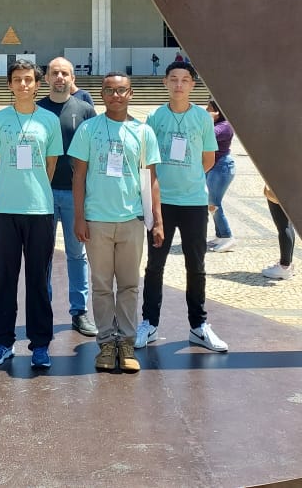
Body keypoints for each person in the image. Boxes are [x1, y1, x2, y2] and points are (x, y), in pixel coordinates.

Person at [69, 72, 163, 374]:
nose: (116, 96)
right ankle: (106, 343)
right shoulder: (88, 129)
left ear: (131, 94)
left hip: (131, 219)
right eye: (109, 91)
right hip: (97, 220)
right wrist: (79, 217)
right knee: (100, 285)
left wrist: (156, 220)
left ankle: (126, 342)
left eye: (121, 90)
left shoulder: (144, 132)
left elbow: (151, 179)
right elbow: (79, 176)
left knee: (129, 285)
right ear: (102, 95)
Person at [136, 63, 228, 353]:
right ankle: (149, 323)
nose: (179, 84)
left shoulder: (202, 118)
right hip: (161, 203)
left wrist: (188, 179)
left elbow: (208, 158)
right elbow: (146, 160)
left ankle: (198, 325)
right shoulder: (155, 116)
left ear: (192, 85)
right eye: (174, 79)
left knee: (196, 265)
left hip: (193, 202)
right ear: (165, 82)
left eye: (185, 80)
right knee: (155, 265)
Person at [0, 61, 63, 369]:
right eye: (18, 80)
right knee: (6, 278)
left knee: (38, 280)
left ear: (37, 84)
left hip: (40, 209)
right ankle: (3, 342)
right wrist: (6, 191)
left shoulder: (48, 121)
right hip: (4, 211)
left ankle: (40, 344)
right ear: (10, 85)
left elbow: (50, 166)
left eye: (29, 79)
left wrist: (34, 190)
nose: (24, 84)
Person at [37, 57, 98, 337]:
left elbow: (95, 152)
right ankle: (42, 309)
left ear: (72, 77)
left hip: (75, 195)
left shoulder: (85, 110)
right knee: (43, 255)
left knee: (77, 254)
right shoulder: (37, 110)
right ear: (46, 78)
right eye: (54, 73)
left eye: (64, 73)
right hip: (44, 194)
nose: (59, 77)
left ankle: (80, 311)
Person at [206, 99, 238, 253]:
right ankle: (220, 235)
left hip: (222, 167)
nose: (206, 110)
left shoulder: (224, 126)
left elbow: (207, 136)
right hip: (215, 166)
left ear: (217, 111)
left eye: (209, 108)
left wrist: (208, 119)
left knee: (214, 202)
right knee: (210, 202)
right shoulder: (216, 124)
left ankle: (227, 237)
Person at [262, 184, 297, 280]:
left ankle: (284, 267)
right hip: (290, 185)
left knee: (283, 226)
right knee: (287, 225)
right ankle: (287, 264)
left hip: (279, 185)